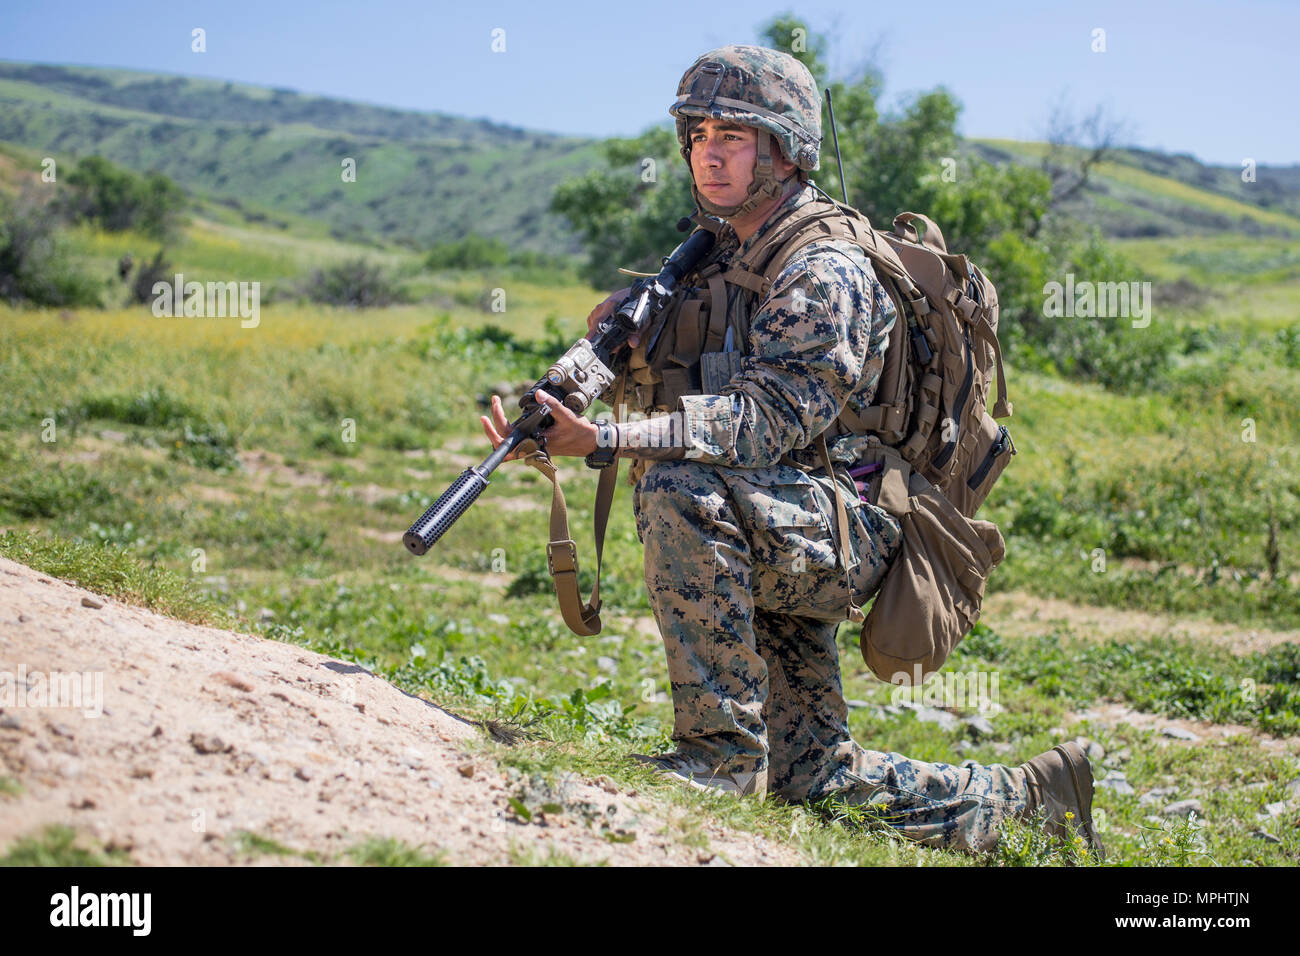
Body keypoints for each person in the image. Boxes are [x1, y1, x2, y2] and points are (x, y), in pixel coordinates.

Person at [483, 44, 1101, 857]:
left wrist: (605, 441)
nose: (710, 149)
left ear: (787, 152)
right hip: (779, 513)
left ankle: (717, 759)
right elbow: (652, 362)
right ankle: (1033, 799)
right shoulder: (717, 255)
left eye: (735, 135)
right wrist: (559, 405)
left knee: (677, 489)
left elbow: (765, 421)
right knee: (813, 780)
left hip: (851, 525)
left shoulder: (824, 267)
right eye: (699, 132)